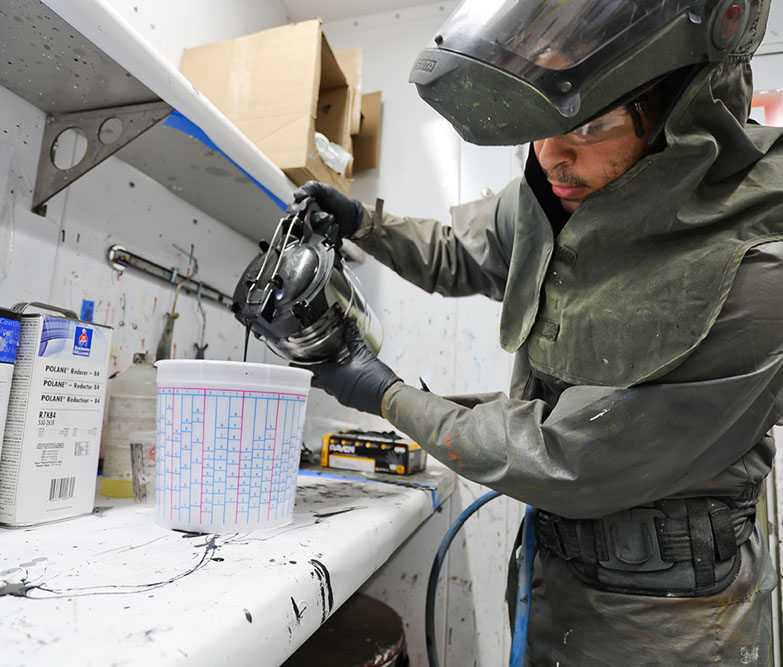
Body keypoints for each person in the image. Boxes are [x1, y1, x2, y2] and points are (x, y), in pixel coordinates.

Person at [292, 1, 783, 664]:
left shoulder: (753, 273)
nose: (551, 156)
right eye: (546, 124)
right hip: (549, 580)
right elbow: (461, 253)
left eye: (590, 122)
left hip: (671, 624)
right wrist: (364, 226)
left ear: (678, 107)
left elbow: (561, 456)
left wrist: (384, 393)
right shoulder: (560, 190)